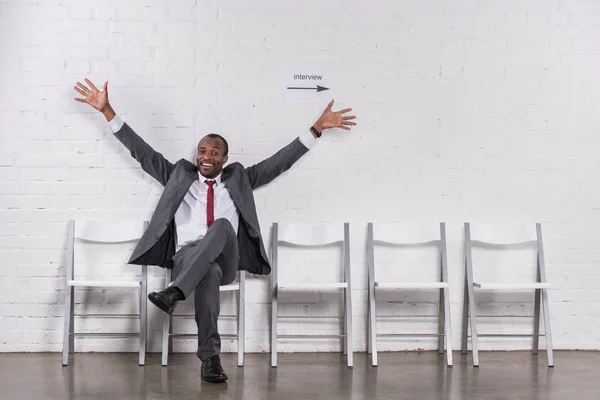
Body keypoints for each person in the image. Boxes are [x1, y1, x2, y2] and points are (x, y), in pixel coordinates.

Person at [73, 78, 357, 383]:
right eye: (202, 151)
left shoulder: (241, 179)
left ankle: (174, 292)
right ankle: (210, 360)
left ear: (225, 158)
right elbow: (141, 152)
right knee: (205, 273)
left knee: (221, 226)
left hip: (227, 259)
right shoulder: (177, 176)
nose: (206, 156)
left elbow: (280, 162)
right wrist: (106, 110)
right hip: (187, 259)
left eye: (214, 152)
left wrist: (317, 128)